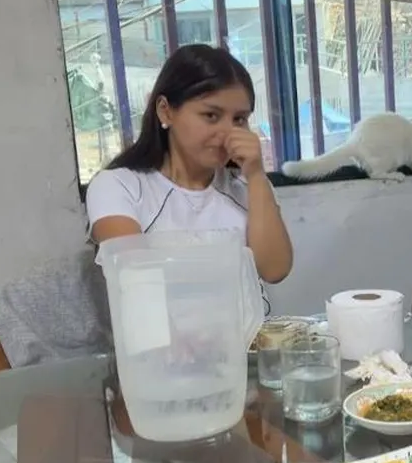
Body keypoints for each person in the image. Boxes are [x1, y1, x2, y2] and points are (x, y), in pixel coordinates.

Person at [85, 44, 293, 302]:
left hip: (248, 329)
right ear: (165, 110)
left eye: (239, 119)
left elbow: (274, 270)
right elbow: (137, 279)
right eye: (211, 115)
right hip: (158, 329)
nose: (227, 132)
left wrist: (257, 176)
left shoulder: (249, 187)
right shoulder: (117, 186)